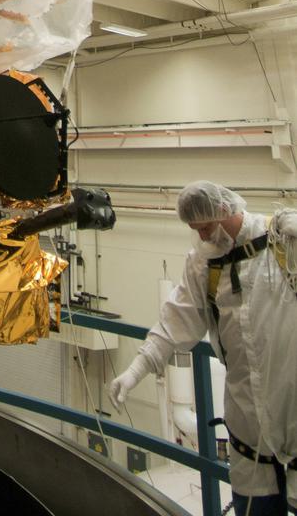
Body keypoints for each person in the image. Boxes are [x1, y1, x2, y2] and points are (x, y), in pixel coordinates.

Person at [110, 181, 297, 515]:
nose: (202, 237)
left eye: (207, 227)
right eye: (196, 230)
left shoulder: (283, 240)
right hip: (247, 426)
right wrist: (135, 370)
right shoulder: (204, 265)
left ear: (226, 210)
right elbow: (174, 323)